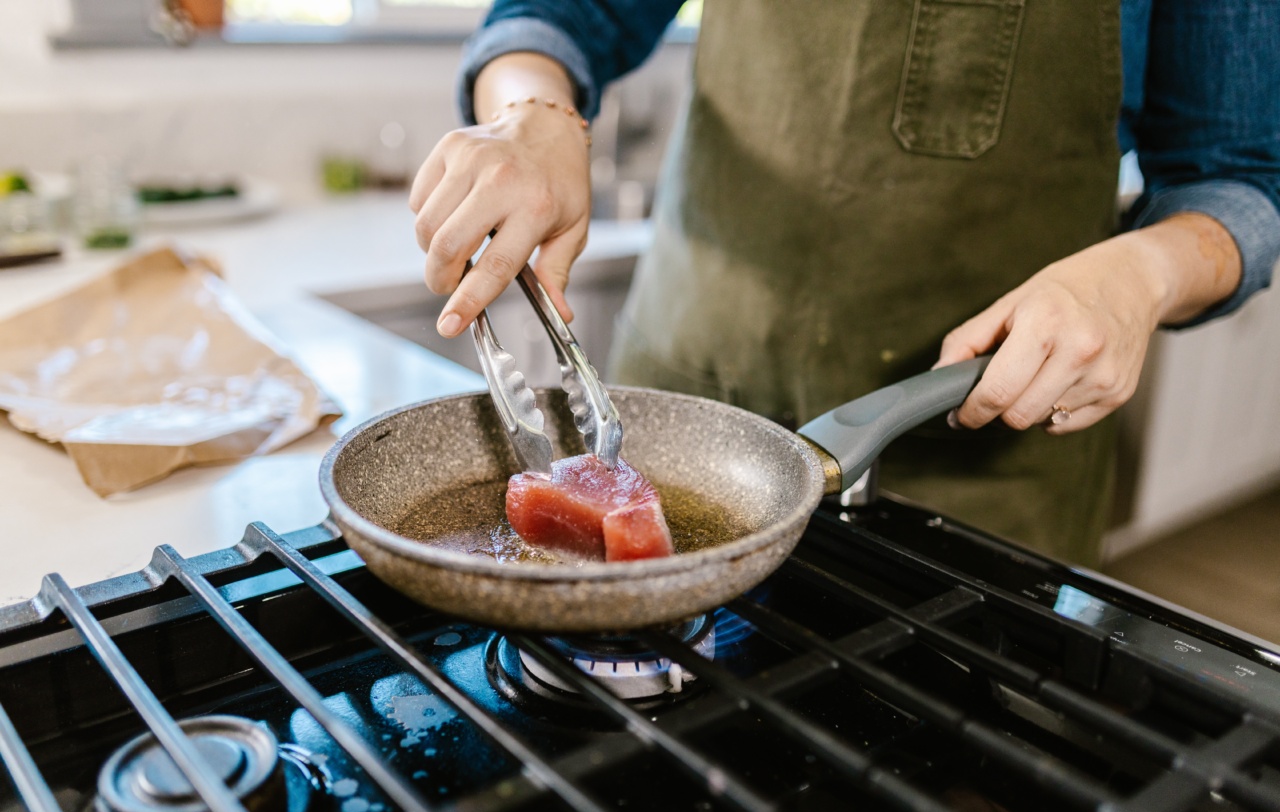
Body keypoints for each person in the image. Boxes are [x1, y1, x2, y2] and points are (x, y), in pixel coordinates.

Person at [408, 0, 1280, 566]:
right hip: (686, 412)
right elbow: (558, 18)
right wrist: (532, 114)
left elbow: (1242, 179)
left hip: (981, 477)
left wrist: (1144, 272)